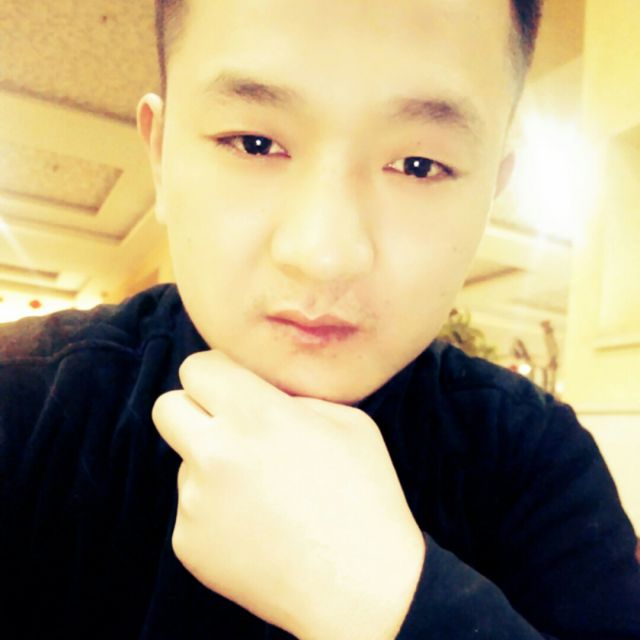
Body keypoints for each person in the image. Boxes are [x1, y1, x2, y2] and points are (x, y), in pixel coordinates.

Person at [0, 0, 638, 637]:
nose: (324, 255)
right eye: (255, 144)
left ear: (490, 194)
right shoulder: (21, 401)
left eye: (419, 165)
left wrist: (393, 603)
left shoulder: (537, 459)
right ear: (161, 155)